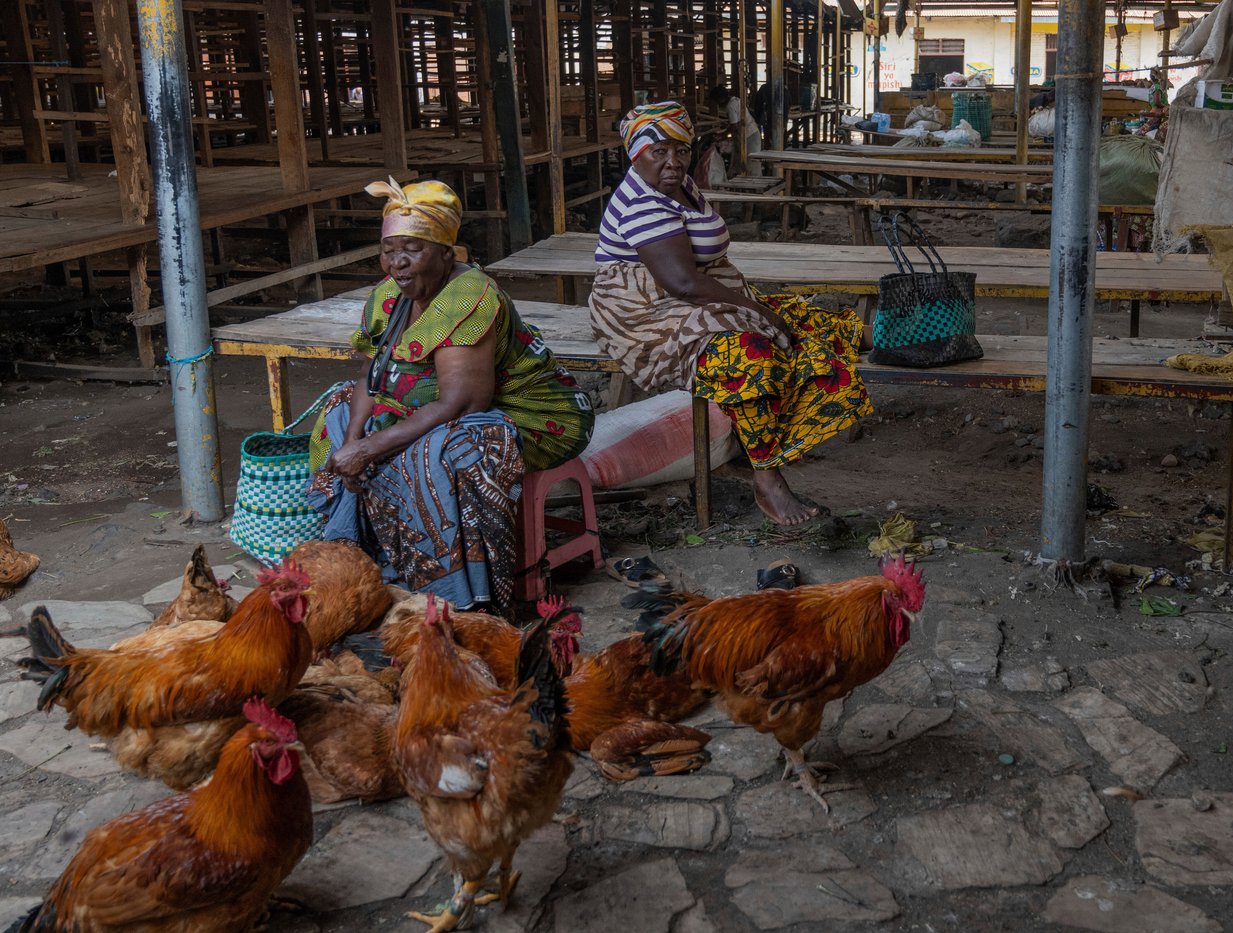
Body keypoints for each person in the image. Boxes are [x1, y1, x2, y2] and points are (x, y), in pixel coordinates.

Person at [306, 178, 594, 611]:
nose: (397, 264)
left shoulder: (467, 296)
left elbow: (463, 403)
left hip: (535, 416)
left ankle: (455, 594)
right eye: (389, 251)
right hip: (438, 402)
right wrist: (353, 440)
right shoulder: (390, 295)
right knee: (339, 408)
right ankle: (367, 558)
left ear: (446, 252)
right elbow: (373, 373)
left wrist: (369, 448)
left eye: (413, 250)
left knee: (449, 448)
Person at [589, 102, 872, 526]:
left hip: (693, 294)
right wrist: (755, 311)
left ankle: (888, 339)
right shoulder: (641, 205)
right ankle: (767, 477)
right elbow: (681, 283)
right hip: (647, 313)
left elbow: (696, 275)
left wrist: (759, 309)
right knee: (748, 355)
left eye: (680, 150)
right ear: (635, 154)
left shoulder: (680, 183)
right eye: (658, 152)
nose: (672, 161)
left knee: (800, 321)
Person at [707, 84, 762, 177]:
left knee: (752, 164)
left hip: (749, 135)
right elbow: (734, 124)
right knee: (747, 163)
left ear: (721, 98)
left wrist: (723, 135)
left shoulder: (730, 107)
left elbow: (734, 127)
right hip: (751, 134)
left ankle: (755, 187)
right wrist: (724, 133)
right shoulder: (735, 100)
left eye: (717, 101)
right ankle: (748, 185)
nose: (717, 104)